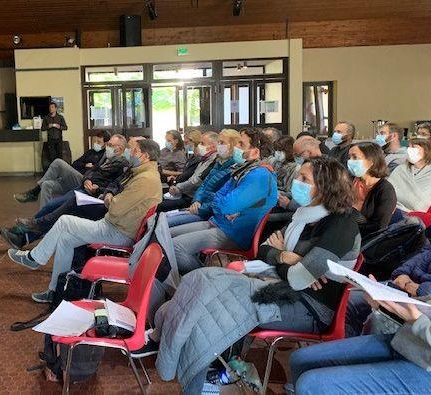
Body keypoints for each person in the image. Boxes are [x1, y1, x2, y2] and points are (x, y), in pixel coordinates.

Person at [143, 157, 361, 394]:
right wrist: (284, 257)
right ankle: (211, 366)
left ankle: (207, 380)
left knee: (214, 308)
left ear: (325, 186)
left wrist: (285, 258)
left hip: (310, 307)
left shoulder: (342, 225)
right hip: (280, 285)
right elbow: (264, 250)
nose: (296, 182)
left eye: (304, 179)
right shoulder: (304, 215)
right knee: (200, 281)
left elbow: (298, 279)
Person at [7, 139, 163, 303]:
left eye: (134, 150)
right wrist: (110, 196)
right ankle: (54, 291)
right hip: (115, 225)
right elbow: (115, 192)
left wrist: (110, 198)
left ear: (144, 156)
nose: (130, 153)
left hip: (118, 231)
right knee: (65, 240)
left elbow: (116, 207)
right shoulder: (140, 173)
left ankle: (35, 258)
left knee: (64, 221)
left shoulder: (146, 179)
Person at [169, 128, 277, 275]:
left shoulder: (260, 175)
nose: (236, 149)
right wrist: (225, 204)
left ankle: (208, 277)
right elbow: (219, 198)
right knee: (168, 235)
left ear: (255, 152)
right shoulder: (243, 169)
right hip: (219, 222)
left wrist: (225, 204)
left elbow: (226, 205)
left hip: (233, 233)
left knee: (175, 247)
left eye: (241, 145)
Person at [0, 135, 133, 249]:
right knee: (49, 202)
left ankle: (22, 234)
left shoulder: (121, 164)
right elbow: (90, 171)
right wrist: (86, 179)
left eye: (109, 144)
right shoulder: (106, 156)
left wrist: (97, 188)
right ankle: (23, 235)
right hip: (83, 186)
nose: (106, 146)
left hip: (91, 195)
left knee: (54, 209)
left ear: (119, 149)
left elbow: (113, 186)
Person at [291, 300, 431, 394]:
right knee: (300, 359)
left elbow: (419, 319)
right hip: (409, 340)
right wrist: (386, 305)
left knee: (311, 385)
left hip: (425, 368)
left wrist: (419, 321)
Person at [15, 134, 126, 208]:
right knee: (46, 185)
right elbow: (77, 164)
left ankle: (35, 191)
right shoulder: (92, 153)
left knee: (58, 162)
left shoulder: (109, 157)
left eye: (101, 142)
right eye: (95, 141)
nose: (98, 144)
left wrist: (88, 177)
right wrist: (85, 167)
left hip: (84, 181)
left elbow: (104, 178)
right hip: (82, 177)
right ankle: (41, 219)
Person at [346, 245, 431, 337]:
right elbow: (425, 251)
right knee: (350, 299)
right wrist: (402, 273)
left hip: (423, 300)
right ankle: (349, 340)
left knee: (373, 313)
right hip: (404, 284)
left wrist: (421, 289)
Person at [167, 129, 239, 228]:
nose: (218, 145)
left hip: (209, 213)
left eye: (221, 142)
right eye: (218, 142)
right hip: (199, 205)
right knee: (165, 219)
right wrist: (197, 200)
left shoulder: (234, 168)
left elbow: (220, 197)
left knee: (167, 224)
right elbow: (204, 185)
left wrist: (200, 208)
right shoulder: (219, 162)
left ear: (233, 146)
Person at [159, 132, 220, 212]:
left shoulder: (212, 161)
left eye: (202, 143)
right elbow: (193, 177)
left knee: (159, 206)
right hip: (187, 193)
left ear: (213, 146)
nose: (199, 146)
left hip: (192, 197)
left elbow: (196, 181)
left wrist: (178, 187)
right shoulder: (204, 159)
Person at [347, 142, 397, 239]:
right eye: (349, 157)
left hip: (365, 238)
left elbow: (379, 228)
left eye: (355, 157)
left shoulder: (385, 190)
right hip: (347, 231)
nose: (350, 161)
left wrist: (348, 227)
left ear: (371, 161)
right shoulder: (351, 180)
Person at [389, 138, 431, 216]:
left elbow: (419, 204)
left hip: (414, 215)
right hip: (391, 208)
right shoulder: (400, 169)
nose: (409, 150)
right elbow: (387, 193)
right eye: (409, 147)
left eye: (414, 147)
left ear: (426, 151)